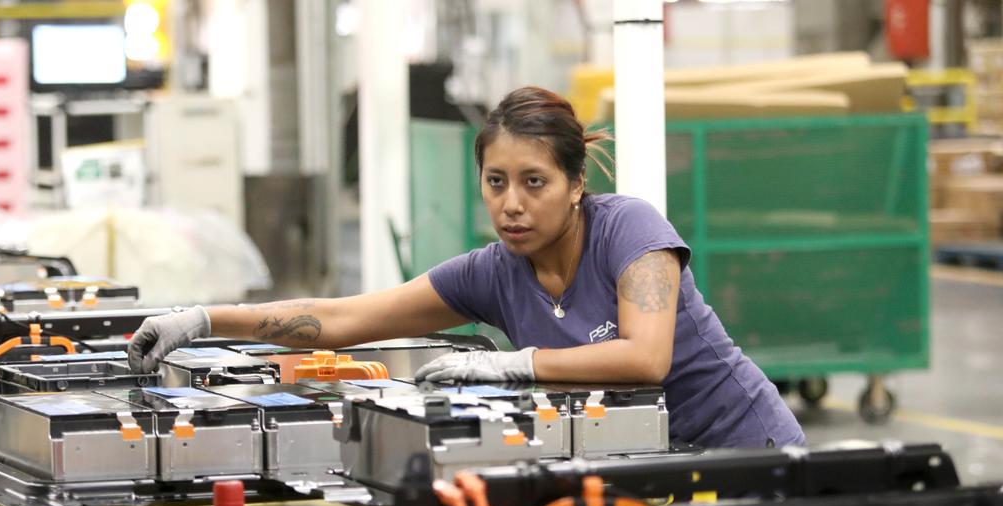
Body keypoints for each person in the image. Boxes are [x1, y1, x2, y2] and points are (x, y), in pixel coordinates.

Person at [128, 86, 805, 449]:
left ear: (575, 184)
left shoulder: (630, 230)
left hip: (750, 446)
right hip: (652, 457)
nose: (511, 204)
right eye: (496, 181)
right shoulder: (494, 271)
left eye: (534, 182)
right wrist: (204, 318)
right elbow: (344, 318)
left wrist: (513, 363)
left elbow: (646, 357)